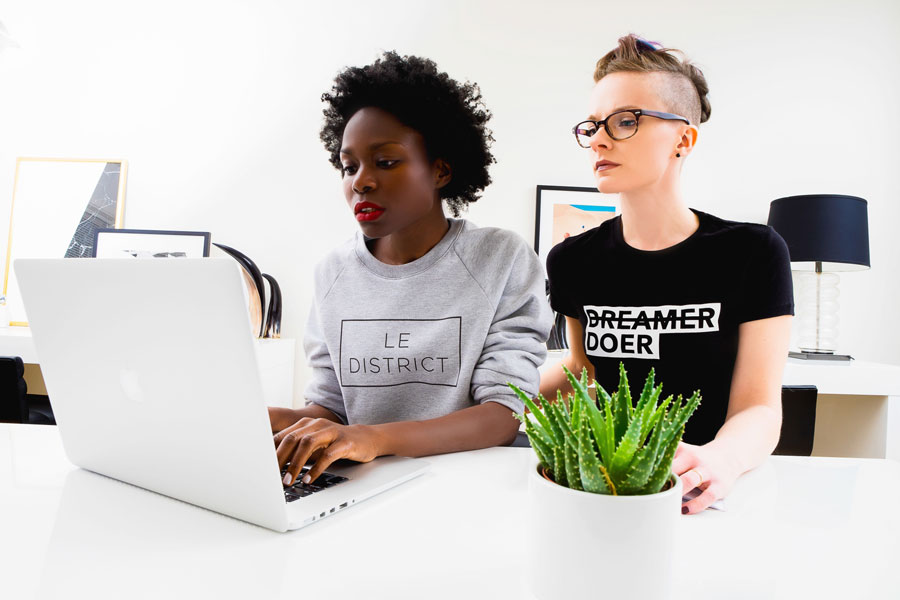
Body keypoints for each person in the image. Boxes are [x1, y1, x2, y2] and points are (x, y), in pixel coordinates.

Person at [270, 51, 552, 487]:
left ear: (440, 169)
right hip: (359, 489)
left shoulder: (500, 257)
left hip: (465, 489)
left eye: (385, 162)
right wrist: (261, 418)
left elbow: (501, 416)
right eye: (349, 166)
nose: (360, 181)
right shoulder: (332, 273)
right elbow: (331, 408)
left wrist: (372, 438)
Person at [541, 34, 793, 514]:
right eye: (593, 125)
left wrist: (719, 460)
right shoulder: (572, 260)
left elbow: (759, 407)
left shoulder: (753, 251)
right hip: (605, 490)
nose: (598, 139)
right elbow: (583, 370)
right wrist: (483, 394)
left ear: (684, 138)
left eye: (625, 121)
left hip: (708, 491)